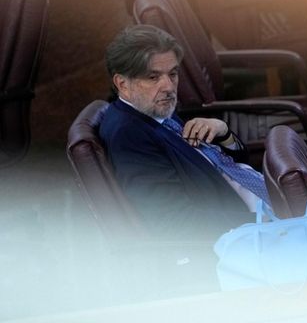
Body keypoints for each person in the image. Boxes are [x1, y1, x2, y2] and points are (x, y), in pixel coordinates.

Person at [99, 25, 264, 241]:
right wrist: (265, 226)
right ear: (123, 84)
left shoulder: (154, 111)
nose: (168, 86)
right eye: (153, 77)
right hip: (251, 230)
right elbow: (174, 221)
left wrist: (222, 132)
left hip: (263, 200)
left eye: (173, 74)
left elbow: (237, 162)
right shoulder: (129, 135)